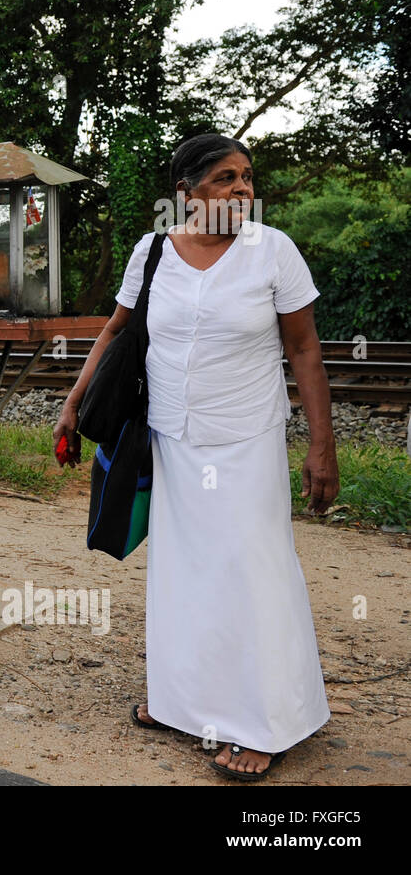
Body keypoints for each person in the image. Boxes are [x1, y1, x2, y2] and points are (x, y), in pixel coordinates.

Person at [52, 133, 339, 781]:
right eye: (225, 179)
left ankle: (267, 721)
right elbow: (118, 328)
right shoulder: (154, 250)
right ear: (186, 192)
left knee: (251, 573)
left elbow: (306, 351)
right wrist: (72, 403)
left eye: (247, 178)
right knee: (183, 572)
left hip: (246, 442)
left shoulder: (273, 252)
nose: (242, 189)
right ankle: (187, 702)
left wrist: (323, 444)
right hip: (173, 438)